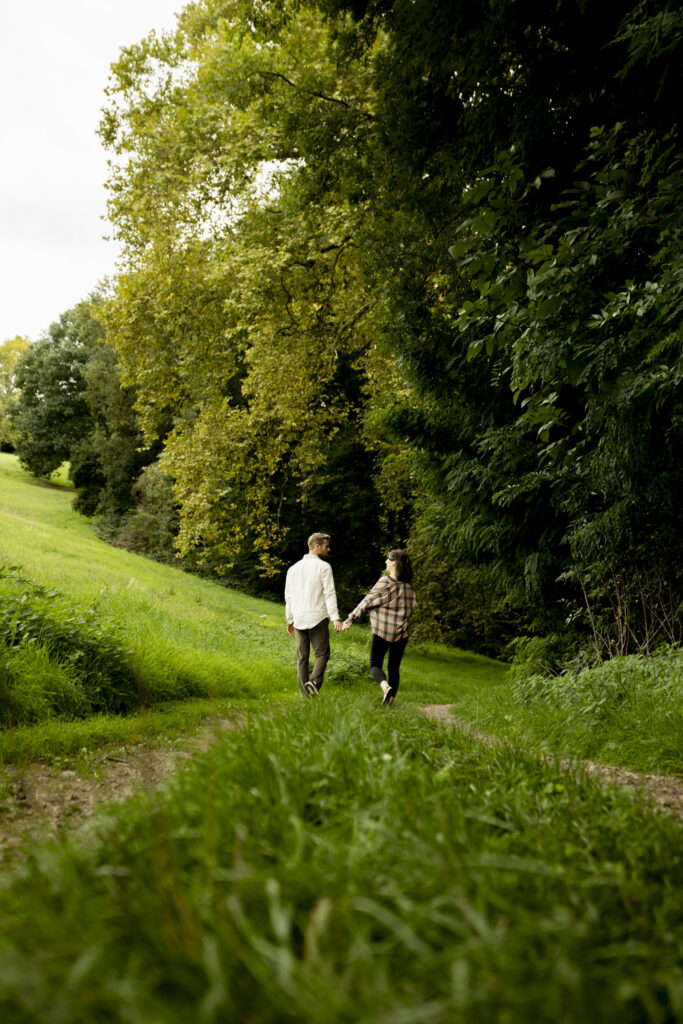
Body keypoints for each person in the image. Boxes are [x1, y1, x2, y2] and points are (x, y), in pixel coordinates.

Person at [342, 549, 417, 706]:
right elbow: (410, 610)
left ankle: (385, 687)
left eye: (388, 559)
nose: (386, 562)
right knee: (394, 668)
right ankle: (389, 702)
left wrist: (350, 619)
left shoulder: (385, 582)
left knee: (375, 665)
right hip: (402, 634)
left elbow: (367, 601)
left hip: (382, 632)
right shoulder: (409, 588)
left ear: (395, 562)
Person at [285, 532, 342, 699]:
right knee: (322, 655)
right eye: (326, 546)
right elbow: (329, 593)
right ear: (317, 547)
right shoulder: (324, 567)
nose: (329, 549)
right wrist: (335, 617)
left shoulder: (293, 569)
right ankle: (315, 682)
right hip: (317, 617)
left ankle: (306, 699)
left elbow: (288, 596)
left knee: (302, 659)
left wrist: (290, 619)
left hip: (299, 618)